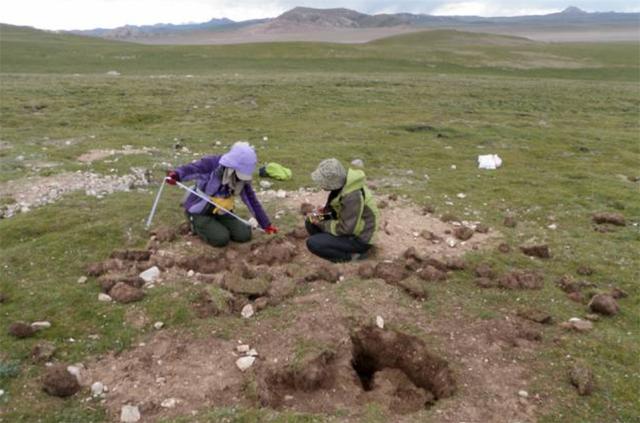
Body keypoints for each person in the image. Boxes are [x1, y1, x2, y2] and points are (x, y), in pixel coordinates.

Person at [165, 141, 277, 247]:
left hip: (222, 212)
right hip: (200, 211)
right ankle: (194, 223)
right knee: (221, 238)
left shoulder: (242, 180)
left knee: (244, 234)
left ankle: (215, 224)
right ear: (232, 166)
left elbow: (252, 201)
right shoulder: (212, 164)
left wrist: (266, 224)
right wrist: (177, 175)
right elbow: (192, 169)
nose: (241, 178)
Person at [305, 158, 379, 262]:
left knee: (313, 243)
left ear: (332, 183)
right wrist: (324, 212)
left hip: (360, 238)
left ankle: (350, 256)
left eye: (322, 182)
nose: (321, 185)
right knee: (311, 220)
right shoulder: (342, 187)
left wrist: (322, 223)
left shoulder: (352, 196)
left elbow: (346, 229)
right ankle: (329, 244)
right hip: (347, 225)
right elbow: (338, 210)